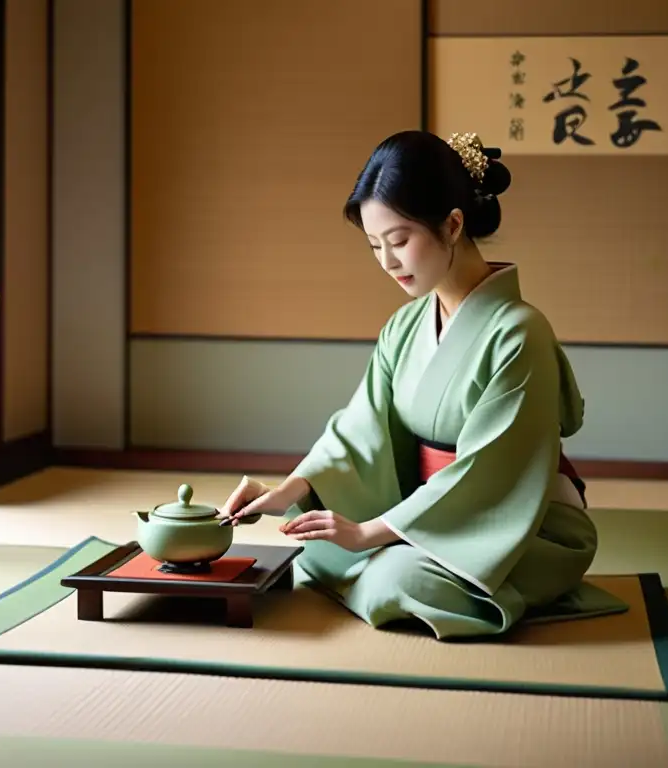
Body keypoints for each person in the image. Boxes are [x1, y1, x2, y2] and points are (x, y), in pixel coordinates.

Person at [219, 130, 598, 640]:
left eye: (399, 240)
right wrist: (287, 491)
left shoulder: (519, 333)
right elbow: (358, 430)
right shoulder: (405, 326)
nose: (387, 261)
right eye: (375, 245)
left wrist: (368, 532)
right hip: (432, 514)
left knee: (389, 581)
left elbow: (489, 473)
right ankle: (391, 548)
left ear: (453, 225)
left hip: (514, 522)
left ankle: (444, 569)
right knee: (315, 546)